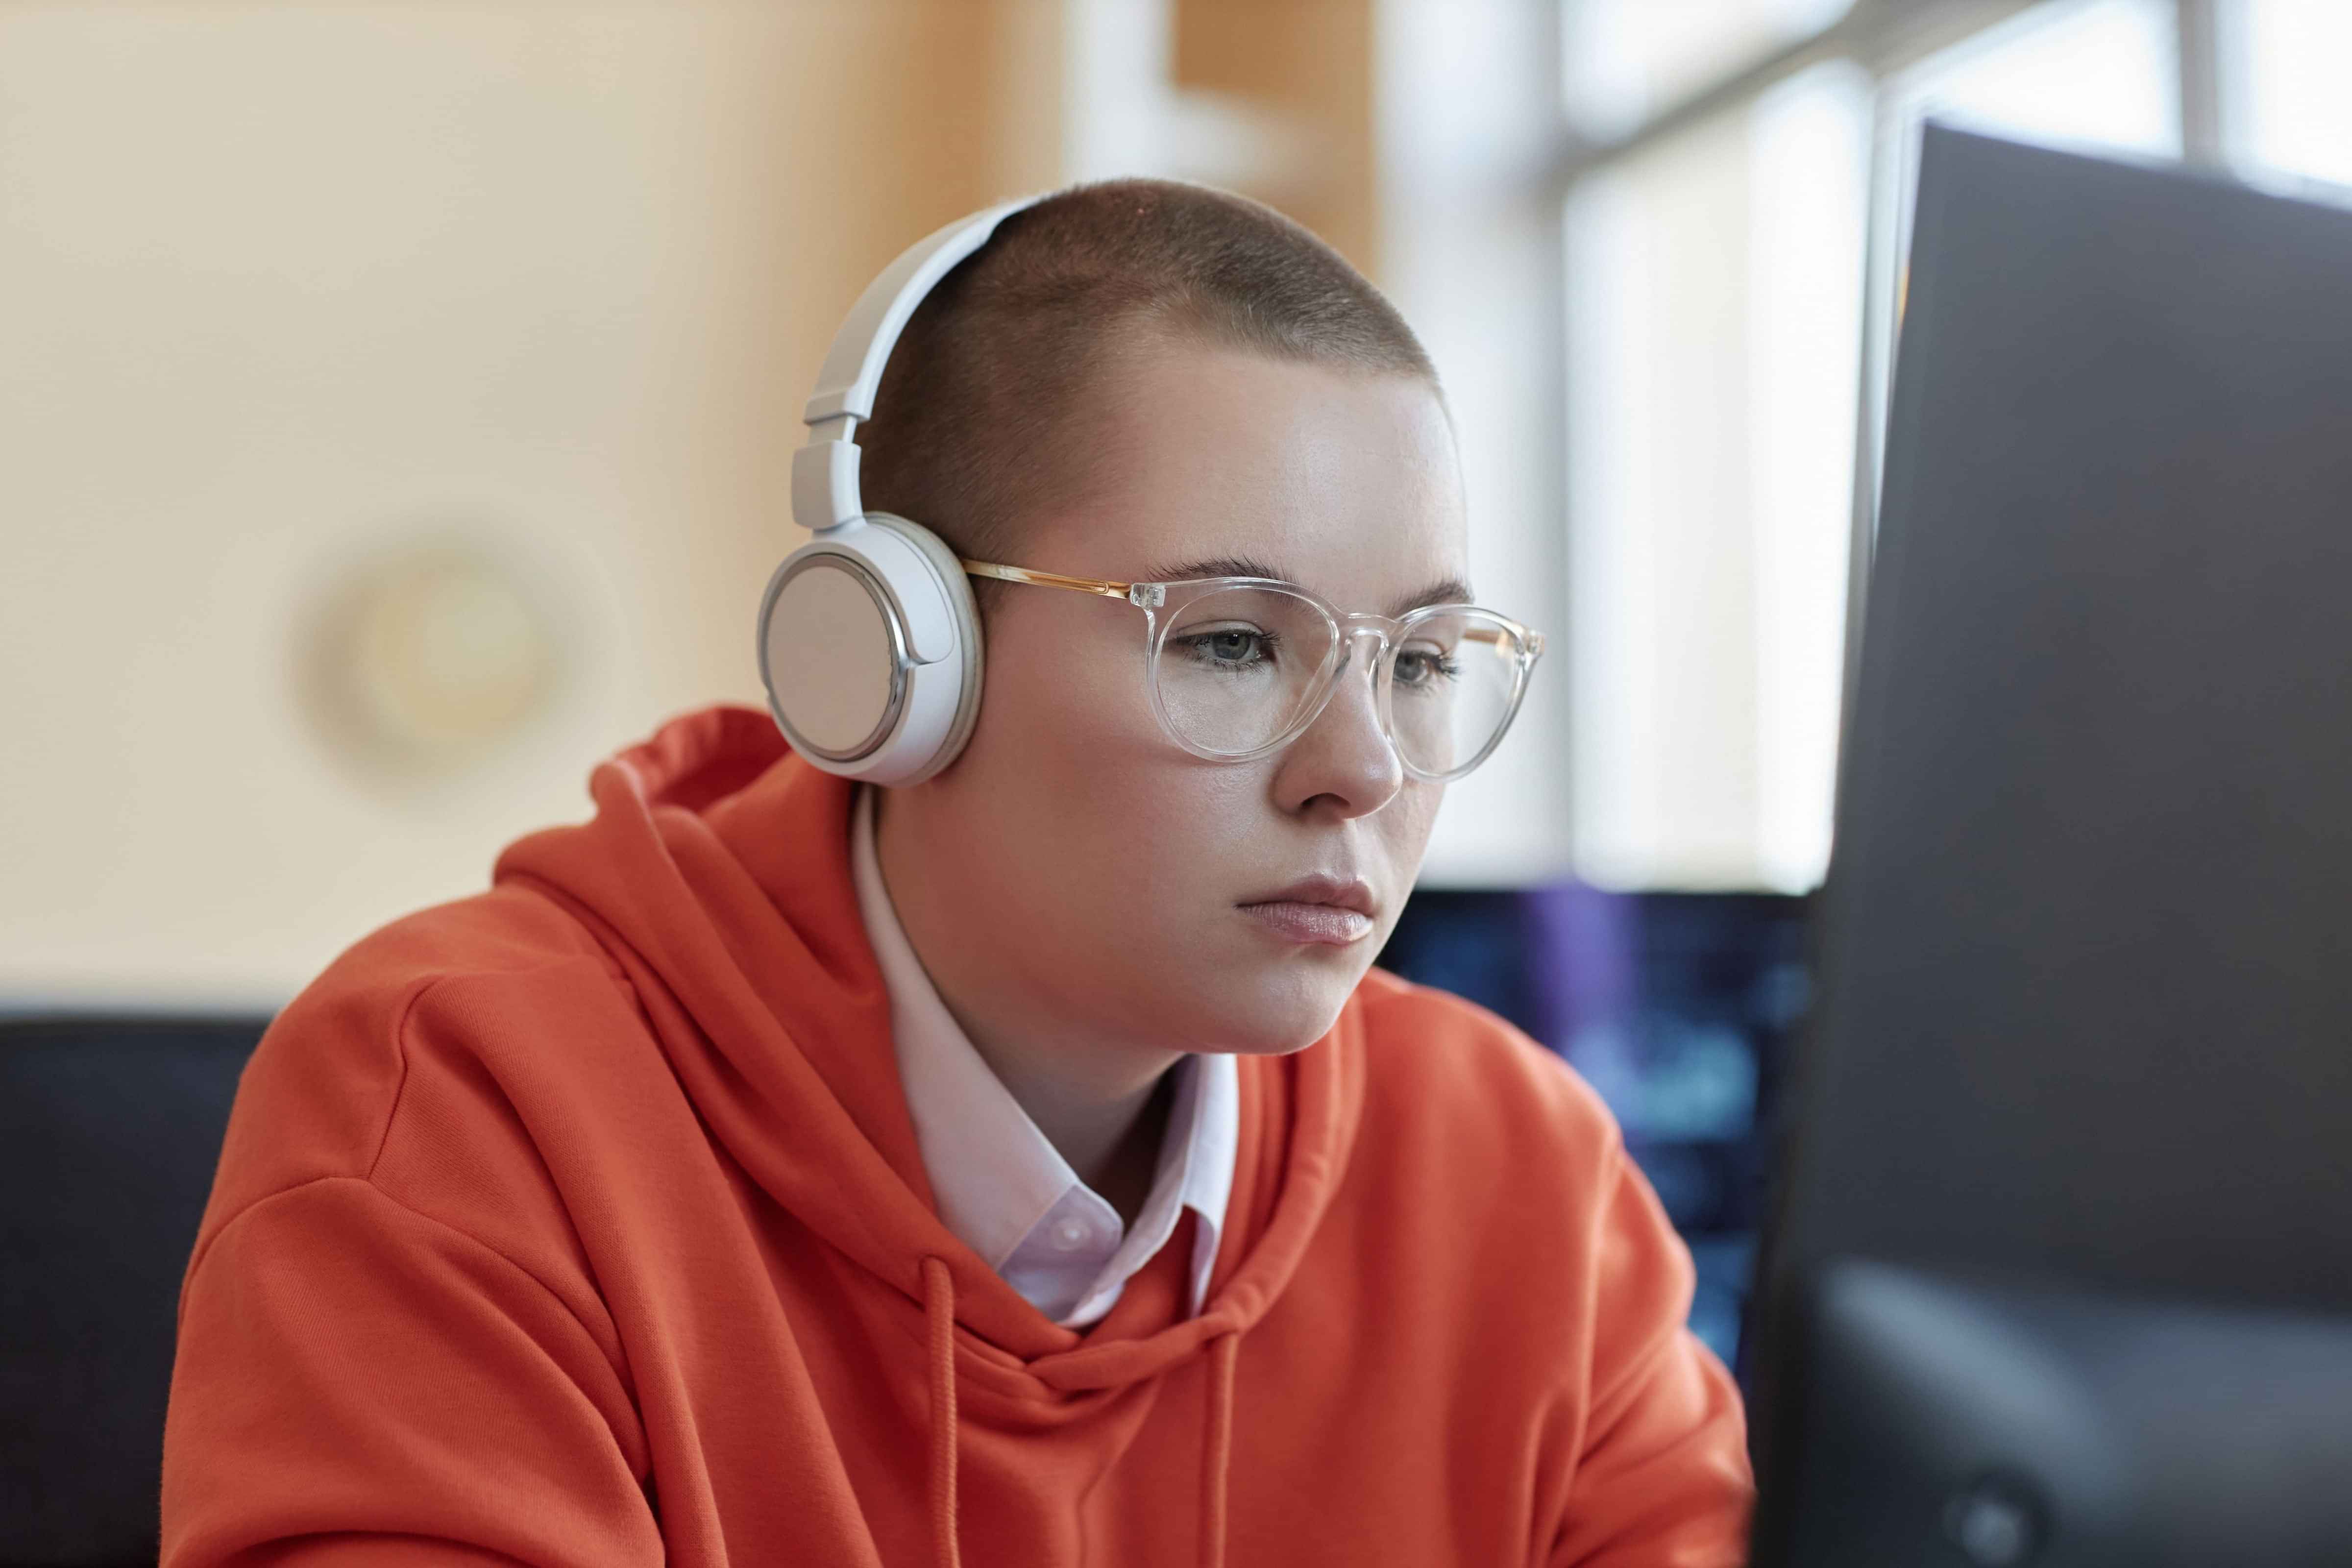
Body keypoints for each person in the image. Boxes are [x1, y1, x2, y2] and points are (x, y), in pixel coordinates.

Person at [161, 178, 1751, 1567]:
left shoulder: (1518, 1176)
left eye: (1418, 661)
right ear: (894, 662)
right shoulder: (464, 1111)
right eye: (1225, 641)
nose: (1367, 769)